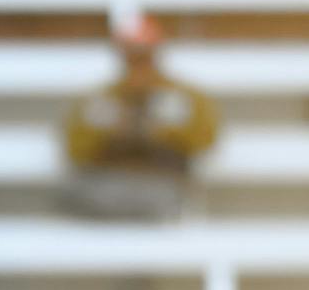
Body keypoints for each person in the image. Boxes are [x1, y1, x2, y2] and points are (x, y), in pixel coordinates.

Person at [61, 13, 219, 221]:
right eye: (131, 56)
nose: (138, 65)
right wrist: (111, 132)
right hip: (107, 182)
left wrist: (162, 132)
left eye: (144, 56)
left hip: (162, 183)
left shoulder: (184, 97)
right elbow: (76, 150)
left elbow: (204, 141)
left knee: (160, 198)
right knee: (81, 193)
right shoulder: (101, 99)